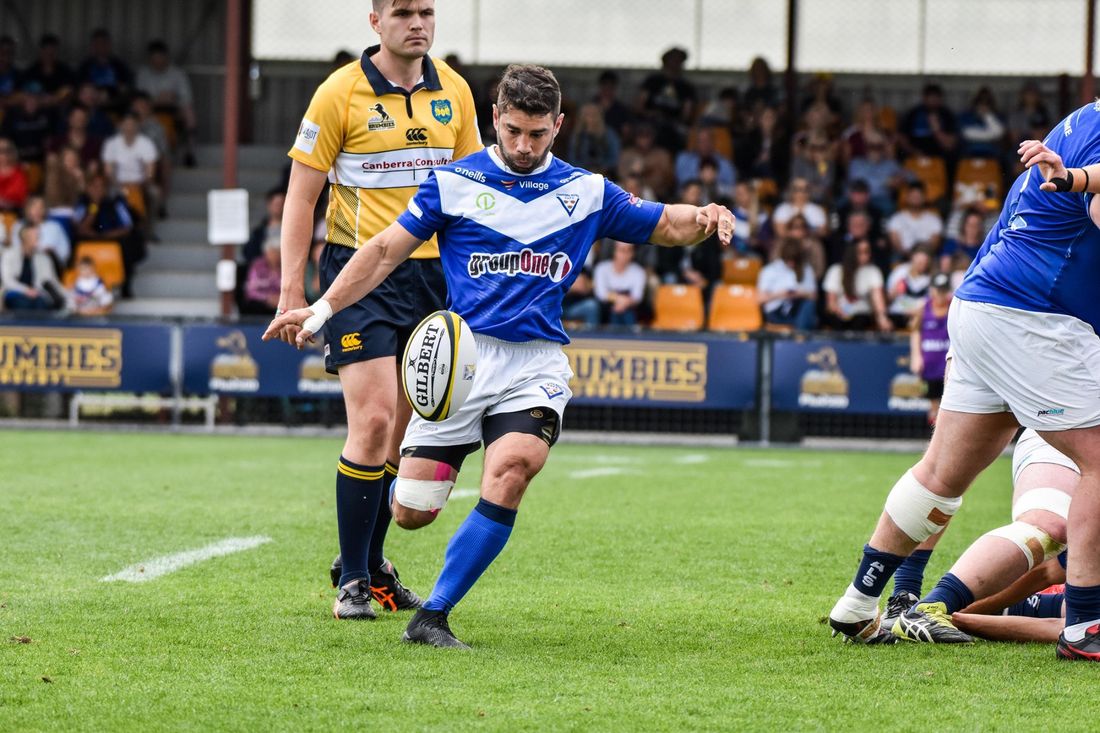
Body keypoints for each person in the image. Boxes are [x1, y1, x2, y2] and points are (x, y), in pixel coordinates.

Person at [263, 63, 736, 648]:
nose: (523, 145)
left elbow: (663, 223)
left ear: (558, 126)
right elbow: (384, 249)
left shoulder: (585, 191)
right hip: (461, 364)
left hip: (534, 365)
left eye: (537, 134)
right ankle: (368, 557)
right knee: (412, 509)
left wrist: (706, 216)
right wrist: (322, 309)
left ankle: (432, 616)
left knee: (513, 469)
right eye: (512, 130)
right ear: (495, 118)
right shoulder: (453, 182)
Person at [827, 108, 1100, 661]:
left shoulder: (1081, 122)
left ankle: (859, 604)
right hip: (1038, 315)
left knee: (941, 475)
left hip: (987, 302)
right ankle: (1085, 625)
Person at [272, 0, 482, 622]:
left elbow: (474, 192)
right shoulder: (338, 93)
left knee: (399, 432)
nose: (416, 22)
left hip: (432, 278)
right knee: (371, 421)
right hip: (358, 276)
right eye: (401, 12)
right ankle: (354, 582)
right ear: (375, 22)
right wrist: (292, 291)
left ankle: (372, 567)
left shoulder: (458, 93)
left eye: (425, 11)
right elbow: (299, 198)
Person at [914, 430, 1077, 644]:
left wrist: (955, 619)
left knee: (1076, 613)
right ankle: (921, 600)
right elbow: (1047, 572)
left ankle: (924, 609)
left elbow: (1064, 629)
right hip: (1067, 424)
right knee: (1047, 528)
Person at [907, 272, 951, 426]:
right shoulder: (923, 307)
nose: (941, 295)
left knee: (949, 401)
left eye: (944, 291)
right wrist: (916, 356)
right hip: (930, 361)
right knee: (932, 401)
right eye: (938, 291)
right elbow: (915, 331)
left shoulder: (953, 305)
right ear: (932, 290)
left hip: (947, 363)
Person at [822, 239, 891, 333]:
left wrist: (882, 318)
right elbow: (831, 303)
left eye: (867, 252)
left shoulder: (873, 271)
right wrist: (840, 312)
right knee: (836, 321)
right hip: (839, 313)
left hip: (862, 314)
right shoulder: (836, 270)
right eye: (861, 252)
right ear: (851, 253)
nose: (866, 255)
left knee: (859, 321)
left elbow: (877, 299)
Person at [756, 237, 816, 331]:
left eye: (794, 260)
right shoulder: (770, 270)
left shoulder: (806, 269)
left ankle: (800, 336)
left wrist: (799, 294)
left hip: (797, 310)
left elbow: (813, 296)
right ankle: (799, 335)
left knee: (808, 305)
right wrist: (781, 294)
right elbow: (760, 299)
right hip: (776, 311)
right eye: (789, 259)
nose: (792, 263)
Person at [2, 225, 63, 311]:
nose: (38, 238)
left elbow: (52, 282)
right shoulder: (9, 254)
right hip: (15, 292)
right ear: (24, 238)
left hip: (37, 295)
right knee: (24, 304)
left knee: (42, 304)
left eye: (38, 236)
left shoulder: (44, 258)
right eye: (35, 236)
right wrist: (26, 290)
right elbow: (8, 281)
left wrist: (70, 298)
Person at [593, 241, 647, 326]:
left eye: (628, 251)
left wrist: (624, 303)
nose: (625, 255)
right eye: (622, 250)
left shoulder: (638, 271)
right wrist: (619, 299)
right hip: (606, 307)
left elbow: (637, 296)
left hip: (629, 308)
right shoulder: (602, 268)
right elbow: (601, 293)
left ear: (632, 253)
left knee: (625, 313)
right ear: (614, 251)